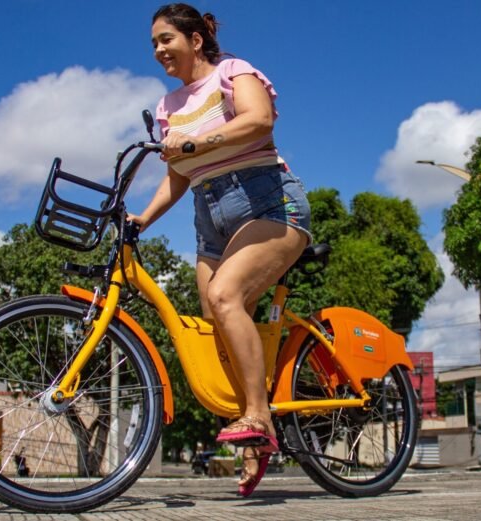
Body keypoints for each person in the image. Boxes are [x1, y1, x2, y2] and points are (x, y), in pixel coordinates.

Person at [128, 3, 312, 496]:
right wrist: (141, 218)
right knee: (219, 327)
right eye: (153, 44)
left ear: (195, 38)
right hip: (211, 218)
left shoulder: (233, 72)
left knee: (227, 298)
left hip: (267, 202)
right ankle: (257, 439)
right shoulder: (168, 106)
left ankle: (259, 415)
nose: (159, 50)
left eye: (166, 38)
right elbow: (177, 179)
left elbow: (260, 121)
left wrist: (194, 143)